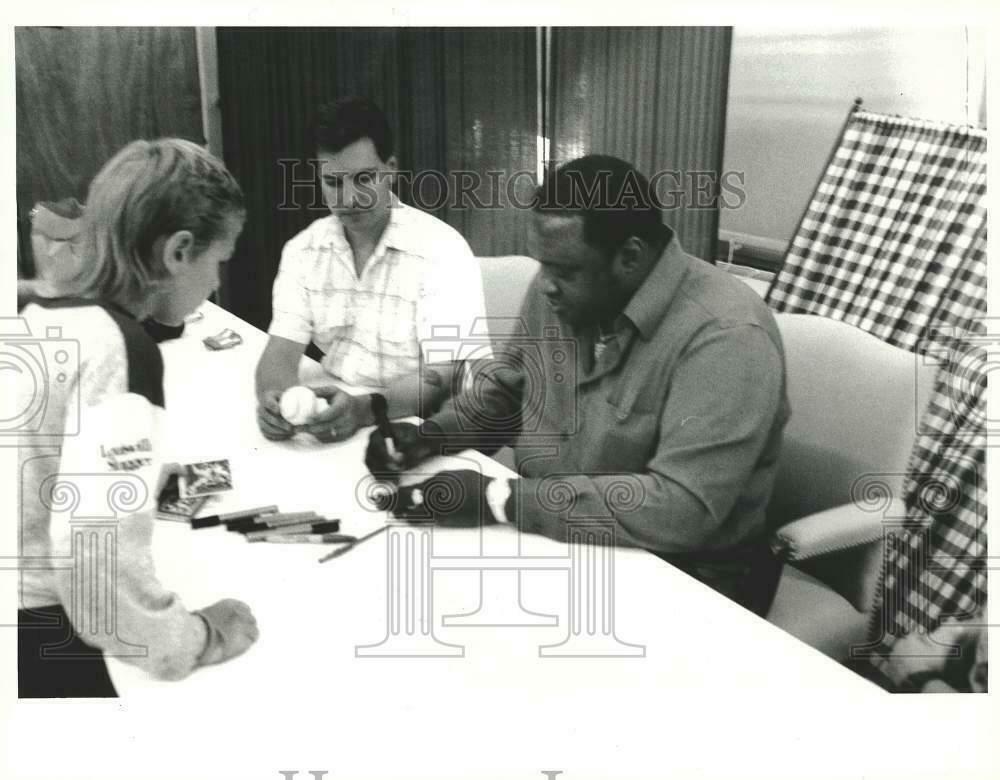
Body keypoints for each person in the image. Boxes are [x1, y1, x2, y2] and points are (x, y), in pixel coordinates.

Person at [365, 155, 791, 616]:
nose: (545, 285)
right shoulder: (564, 291)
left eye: (564, 272)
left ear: (629, 257)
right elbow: (509, 395)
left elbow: (682, 510)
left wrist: (500, 498)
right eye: (543, 266)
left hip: (684, 577)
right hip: (561, 540)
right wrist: (432, 435)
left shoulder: (726, 337)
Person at [16, 139, 259, 697]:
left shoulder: (37, 313)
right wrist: (194, 638)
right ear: (178, 252)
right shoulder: (121, 348)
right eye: (219, 261)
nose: (217, 283)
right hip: (41, 636)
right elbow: (95, 567)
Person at [255, 96, 490, 444]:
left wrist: (365, 409)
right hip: (337, 423)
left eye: (364, 178)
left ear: (391, 169)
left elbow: (446, 375)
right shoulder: (303, 250)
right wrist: (275, 399)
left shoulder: (441, 250)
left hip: (416, 433)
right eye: (334, 183)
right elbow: (280, 352)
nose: (349, 198)